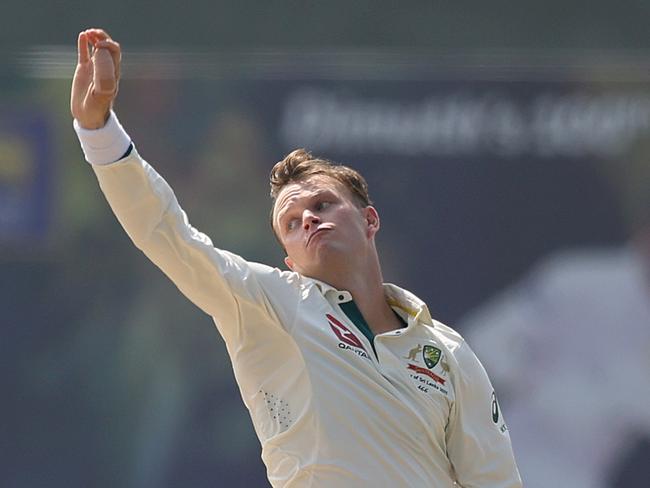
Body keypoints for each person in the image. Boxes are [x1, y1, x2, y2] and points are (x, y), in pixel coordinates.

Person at [71, 28, 521, 487]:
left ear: (370, 220)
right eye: (291, 221)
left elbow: (495, 480)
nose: (308, 219)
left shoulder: (446, 351)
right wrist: (98, 130)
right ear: (288, 259)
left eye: (323, 205)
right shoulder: (268, 303)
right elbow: (167, 234)